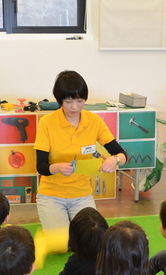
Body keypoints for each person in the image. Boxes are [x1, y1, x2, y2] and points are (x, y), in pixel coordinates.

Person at [34, 70, 127, 231]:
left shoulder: (94, 121)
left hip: (82, 195)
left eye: (80, 100)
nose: (75, 107)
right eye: (68, 101)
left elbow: (122, 154)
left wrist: (115, 160)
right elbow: (41, 166)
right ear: (59, 100)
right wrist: (57, 167)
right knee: (61, 242)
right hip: (51, 195)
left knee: (91, 238)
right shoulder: (47, 122)